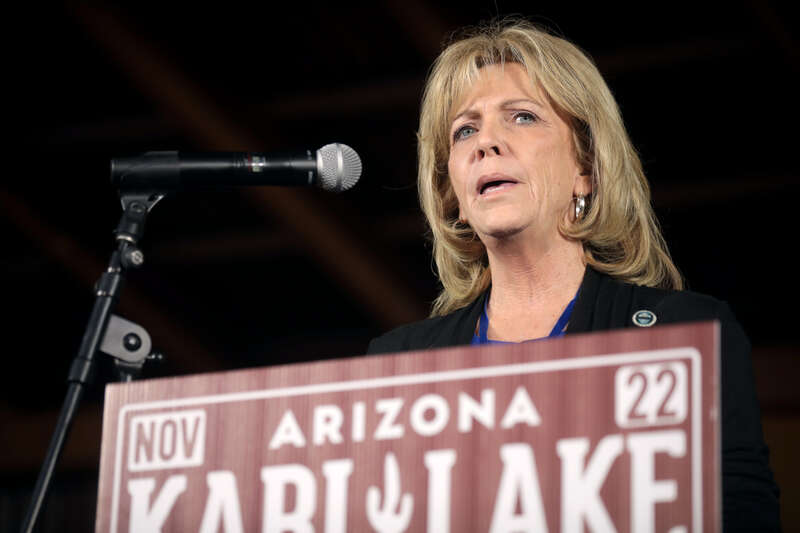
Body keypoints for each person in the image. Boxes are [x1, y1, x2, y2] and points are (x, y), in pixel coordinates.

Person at [367, 19, 780, 530]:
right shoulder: (396, 366)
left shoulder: (686, 336)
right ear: (452, 191)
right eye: (465, 130)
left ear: (586, 166)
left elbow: (739, 514)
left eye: (521, 117)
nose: (485, 143)